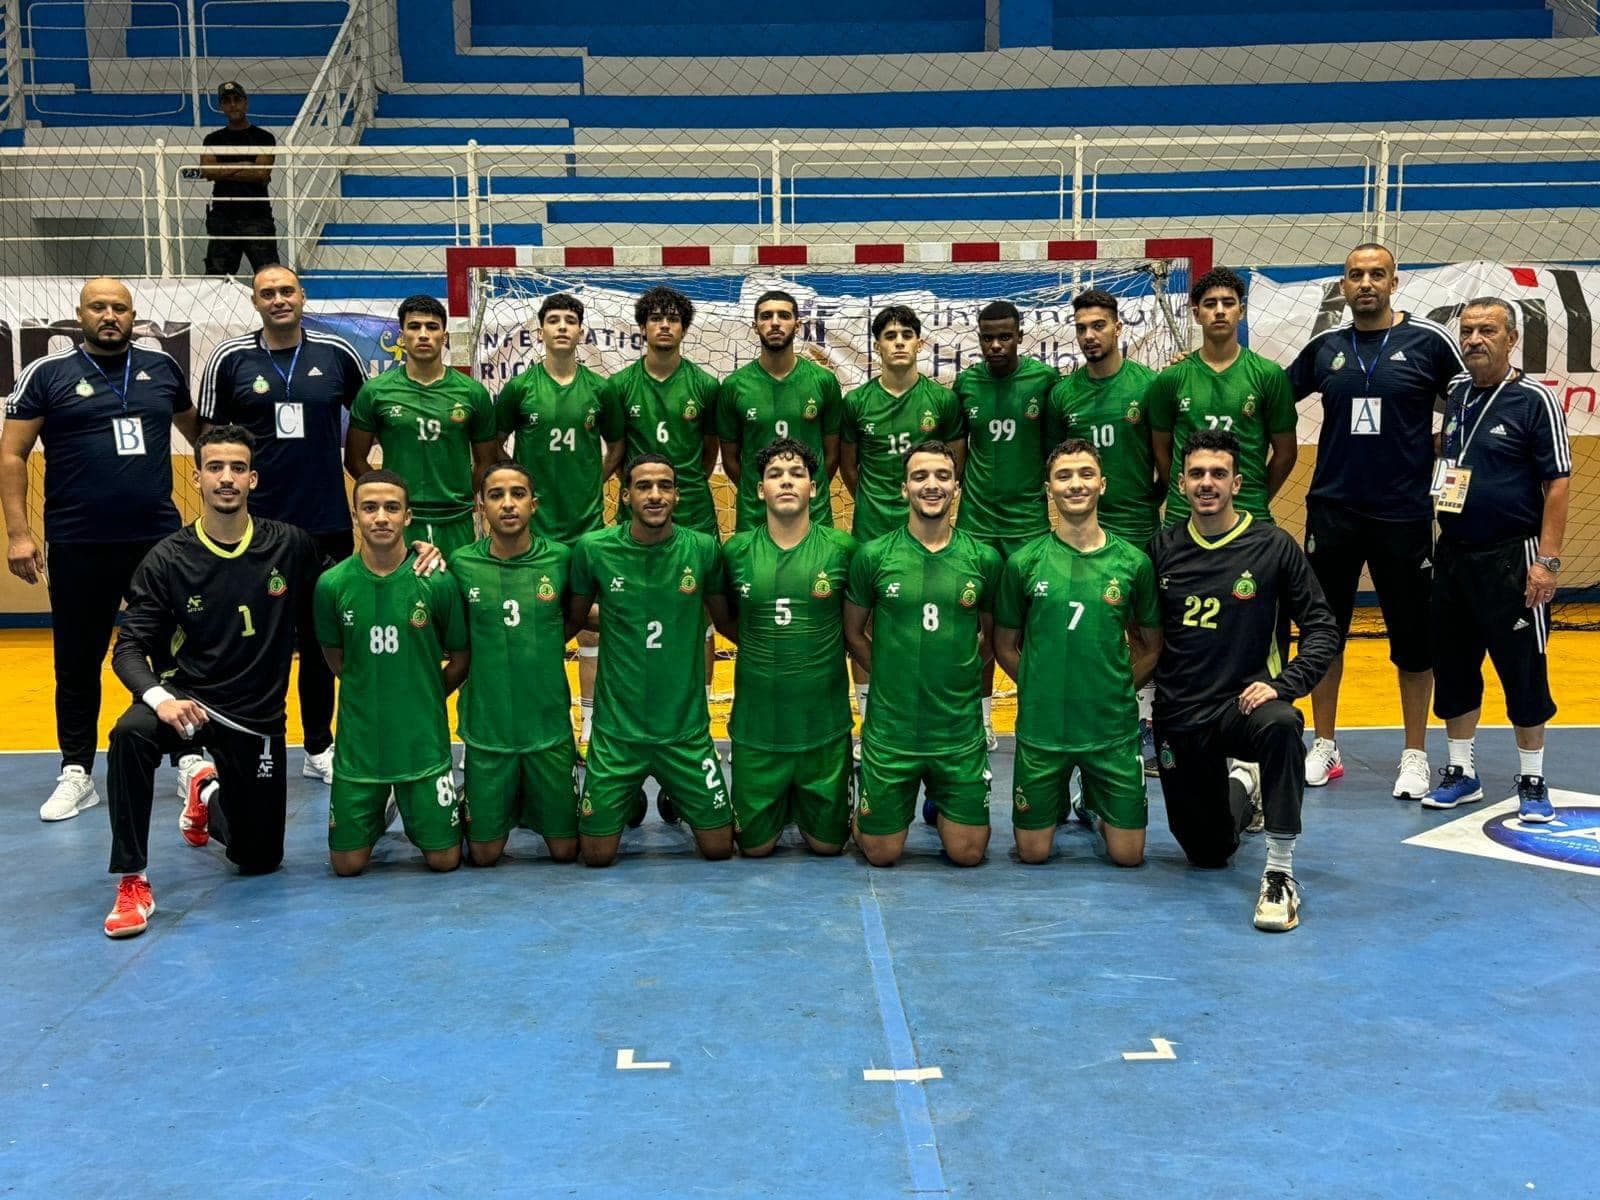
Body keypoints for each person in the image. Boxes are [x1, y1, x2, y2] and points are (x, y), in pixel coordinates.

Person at [101, 426, 321, 937]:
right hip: (189, 701)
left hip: (256, 716)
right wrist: (160, 699)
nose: (227, 478)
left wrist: (418, 559)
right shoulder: (168, 558)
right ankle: (132, 880)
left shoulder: (289, 546)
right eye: (216, 468)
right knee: (129, 735)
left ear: (253, 479)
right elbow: (128, 648)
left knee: (259, 858)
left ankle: (205, 794)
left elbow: (347, 585)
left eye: (238, 468)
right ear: (196, 477)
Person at [1, 276, 200, 821]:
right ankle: (76, 770)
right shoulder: (48, 373)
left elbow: (202, 436)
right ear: (80, 314)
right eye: (99, 307)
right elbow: (13, 454)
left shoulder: (162, 369)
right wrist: (20, 534)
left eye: (120, 307)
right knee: (77, 661)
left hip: (158, 542)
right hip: (78, 541)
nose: (109, 316)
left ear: (134, 316)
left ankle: (188, 758)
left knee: (173, 653)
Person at [1287, 244, 1465, 798]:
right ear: (1342, 284)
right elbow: (1264, 398)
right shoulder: (1325, 349)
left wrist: (1435, 452)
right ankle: (1325, 744)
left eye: (1376, 274)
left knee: (1413, 640)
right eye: (1355, 275)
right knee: (1324, 634)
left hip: (1405, 515)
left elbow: (1470, 409)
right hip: (1333, 512)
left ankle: (1415, 754)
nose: (1366, 283)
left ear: (1395, 282)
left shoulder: (1429, 343)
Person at [1149, 430, 1339, 932]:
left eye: (1217, 474)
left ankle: (1279, 872)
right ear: (1181, 483)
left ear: (1237, 482)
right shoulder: (1161, 550)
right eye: (1196, 474)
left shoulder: (1273, 545)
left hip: (1245, 706)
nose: (1206, 483)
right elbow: (1139, 635)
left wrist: (1286, 682)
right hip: (1180, 711)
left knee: (1281, 724)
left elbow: (1322, 628)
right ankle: (1241, 785)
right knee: (1206, 853)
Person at [197, 263, 367, 786]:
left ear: (302, 295)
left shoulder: (338, 355)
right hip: (253, 530)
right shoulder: (230, 359)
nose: (278, 299)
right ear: (255, 302)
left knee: (319, 642)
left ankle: (319, 745)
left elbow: (366, 419)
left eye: (286, 290)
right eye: (267, 293)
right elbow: (208, 438)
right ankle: (238, 741)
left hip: (325, 524)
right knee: (249, 639)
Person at [1421, 297, 1570, 824]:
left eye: (1487, 331)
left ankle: (1532, 779)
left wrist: (1546, 562)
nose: (1475, 340)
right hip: (1453, 557)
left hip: (1514, 557)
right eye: (1467, 331)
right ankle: (1460, 773)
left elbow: (1557, 483)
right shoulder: (1458, 394)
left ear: (1511, 339)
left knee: (1523, 671)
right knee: (1455, 668)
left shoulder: (1535, 400)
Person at [995, 438, 1162, 867]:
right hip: (1044, 729)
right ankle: (1061, 801)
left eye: (1086, 474)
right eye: (1064, 476)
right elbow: (1005, 645)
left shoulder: (1133, 562)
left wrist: (1121, 689)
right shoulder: (1024, 562)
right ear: (1048, 488)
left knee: (1128, 857)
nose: (1075, 484)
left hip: (1109, 728)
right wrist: (1038, 686)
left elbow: (1150, 644)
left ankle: (1091, 801)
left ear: (1102, 484)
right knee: (1033, 854)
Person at [566, 454, 734, 867]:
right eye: (643, 486)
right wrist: (622, 616)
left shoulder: (703, 549)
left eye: (664, 486)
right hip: (618, 735)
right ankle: (628, 798)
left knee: (719, 848)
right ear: (625, 496)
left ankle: (678, 791)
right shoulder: (594, 550)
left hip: (685, 733)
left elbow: (726, 618)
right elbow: (572, 618)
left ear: (677, 495)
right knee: (596, 856)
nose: (655, 495)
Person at [843, 440, 1002, 868]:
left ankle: (940, 795)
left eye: (942, 477)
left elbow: (991, 638)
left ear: (957, 488)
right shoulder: (873, 556)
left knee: (968, 854)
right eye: (920, 477)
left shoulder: (983, 558)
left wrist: (959, 675)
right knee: (880, 854)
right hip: (892, 728)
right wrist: (892, 675)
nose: (931, 485)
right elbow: (853, 633)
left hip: (956, 729)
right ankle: (867, 795)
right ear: (903, 489)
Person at [314, 470, 471, 876]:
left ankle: (429, 800)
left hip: (422, 745)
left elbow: (460, 657)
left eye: (391, 508)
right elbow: (337, 660)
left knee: (445, 861)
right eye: (369, 508)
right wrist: (372, 690)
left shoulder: (436, 581)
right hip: (360, 749)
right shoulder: (331, 585)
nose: (380, 517)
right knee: (346, 866)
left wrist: (425, 694)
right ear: (355, 516)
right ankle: (381, 806)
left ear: (408, 517)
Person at [717, 438, 858, 856]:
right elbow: (724, 618)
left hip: (824, 731)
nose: (786, 482)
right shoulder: (736, 550)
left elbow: (857, 624)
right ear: (759, 489)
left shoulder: (843, 549)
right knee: (755, 850)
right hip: (757, 731)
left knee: (829, 847)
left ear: (814, 488)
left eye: (797, 474)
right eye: (775, 474)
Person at [495, 293, 620, 754]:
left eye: (570, 320)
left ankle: (589, 721)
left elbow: (619, 444)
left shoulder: (600, 390)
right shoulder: (521, 388)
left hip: (586, 526)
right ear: (540, 330)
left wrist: (595, 479)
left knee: (590, 625)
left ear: (581, 331)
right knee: (535, 626)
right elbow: (493, 444)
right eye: (554, 320)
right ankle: (541, 720)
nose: (562, 327)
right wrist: (519, 490)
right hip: (536, 532)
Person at [1049, 289, 1163, 772]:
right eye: (1081, 328)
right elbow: (1057, 466)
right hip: (1079, 535)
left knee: (1141, 629)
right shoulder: (1063, 394)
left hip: (1136, 527)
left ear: (1119, 328)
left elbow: (1164, 463)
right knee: (1084, 627)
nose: (1090, 335)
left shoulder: (1148, 386)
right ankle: (1081, 714)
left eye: (1098, 325)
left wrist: (1141, 505)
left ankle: (1143, 721)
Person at [840, 306, 965, 730]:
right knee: (868, 622)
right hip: (872, 527)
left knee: (933, 618)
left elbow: (954, 464)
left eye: (906, 334)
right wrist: (879, 502)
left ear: (919, 343)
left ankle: (933, 709)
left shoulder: (943, 401)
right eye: (889, 335)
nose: (898, 341)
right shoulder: (856, 402)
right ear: (876, 345)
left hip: (929, 531)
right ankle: (869, 716)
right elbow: (849, 467)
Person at [451, 462, 580, 865]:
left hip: (548, 730)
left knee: (565, 851)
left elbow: (572, 619)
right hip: (488, 732)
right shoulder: (458, 564)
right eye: (496, 495)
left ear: (534, 504)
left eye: (518, 494)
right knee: (484, 855)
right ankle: (464, 800)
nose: (508, 504)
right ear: (481, 506)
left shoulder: (561, 559)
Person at [954, 299, 1060, 749]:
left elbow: (1056, 452)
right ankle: (980, 719)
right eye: (987, 338)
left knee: (1032, 628)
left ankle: (1036, 709)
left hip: (1028, 527)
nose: (995, 345)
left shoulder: (1044, 381)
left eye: (1004, 337)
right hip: (976, 524)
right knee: (978, 626)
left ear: (1020, 336)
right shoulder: (965, 384)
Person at [345, 295, 499, 558]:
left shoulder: (473, 393)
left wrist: (460, 495)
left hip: (457, 519)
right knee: (400, 595)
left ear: (445, 336)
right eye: (414, 327)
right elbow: (354, 459)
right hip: (400, 521)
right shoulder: (375, 392)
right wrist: (388, 498)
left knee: (455, 594)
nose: (424, 334)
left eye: (432, 327)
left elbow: (487, 461)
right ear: (402, 336)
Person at [1149, 267, 1298, 528]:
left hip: (1250, 515)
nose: (1219, 310)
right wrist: (1185, 492)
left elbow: (1286, 453)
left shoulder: (1268, 375)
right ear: (1196, 314)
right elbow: (1161, 450)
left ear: (1240, 311)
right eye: (1210, 304)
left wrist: (1256, 497)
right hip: (1183, 517)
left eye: (1228, 303)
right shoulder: (1171, 378)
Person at [716, 289, 843, 533]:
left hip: (813, 511)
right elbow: (730, 459)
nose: (775, 322)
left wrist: (803, 489)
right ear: (755, 326)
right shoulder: (733, 386)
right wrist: (761, 488)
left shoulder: (824, 381)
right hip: (756, 513)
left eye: (784, 315)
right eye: (766, 316)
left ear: (797, 325)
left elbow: (832, 455)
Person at [600, 286, 721, 538]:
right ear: (643, 328)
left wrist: (685, 482)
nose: (664, 325)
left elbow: (710, 450)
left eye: (673, 319)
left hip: (693, 511)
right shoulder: (619, 385)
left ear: (684, 330)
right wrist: (639, 486)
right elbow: (618, 451)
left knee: (699, 577)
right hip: (638, 508)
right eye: (656, 319)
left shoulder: (706, 385)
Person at [200, 81, 279, 277]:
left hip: (257, 217)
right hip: (222, 217)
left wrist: (223, 169)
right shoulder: (212, 139)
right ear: (221, 107)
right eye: (227, 101)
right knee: (217, 281)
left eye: (237, 99)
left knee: (269, 276)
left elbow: (261, 173)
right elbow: (208, 171)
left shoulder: (264, 137)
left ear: (246, 103)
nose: (232, 104)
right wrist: (245, 164)